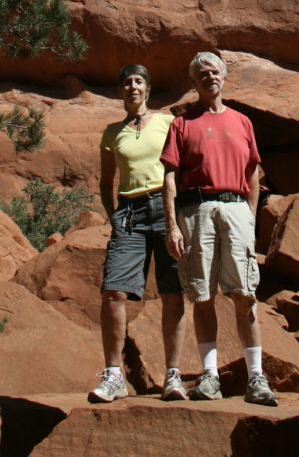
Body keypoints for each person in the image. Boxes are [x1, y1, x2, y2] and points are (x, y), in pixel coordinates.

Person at [161, 51, 277, 406]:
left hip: (236, 208)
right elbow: (169, 177)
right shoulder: (182, 124)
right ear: (194, 82)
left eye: (215, 72)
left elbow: (253, 175)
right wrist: (172, 226)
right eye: (202, 73)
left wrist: (251, 218)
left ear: (224, 77)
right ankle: (210, 376)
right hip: (196, 210)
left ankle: (256, 377)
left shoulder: (241, 122)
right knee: (202, 295)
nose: (210, 77)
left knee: (245, 294)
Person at [88, 63, 187, 403]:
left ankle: (173, 375)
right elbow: (105, 183)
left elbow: (180, 166)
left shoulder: (167, 122)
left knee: (173, 291)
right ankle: (114, 374)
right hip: (129, 211)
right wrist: (114, 216)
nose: (133, 86)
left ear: (147, 89)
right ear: (120, 92)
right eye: (127, 82)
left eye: (138, 81)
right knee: (113, 291)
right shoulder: (112, 133)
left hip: (167, 206)